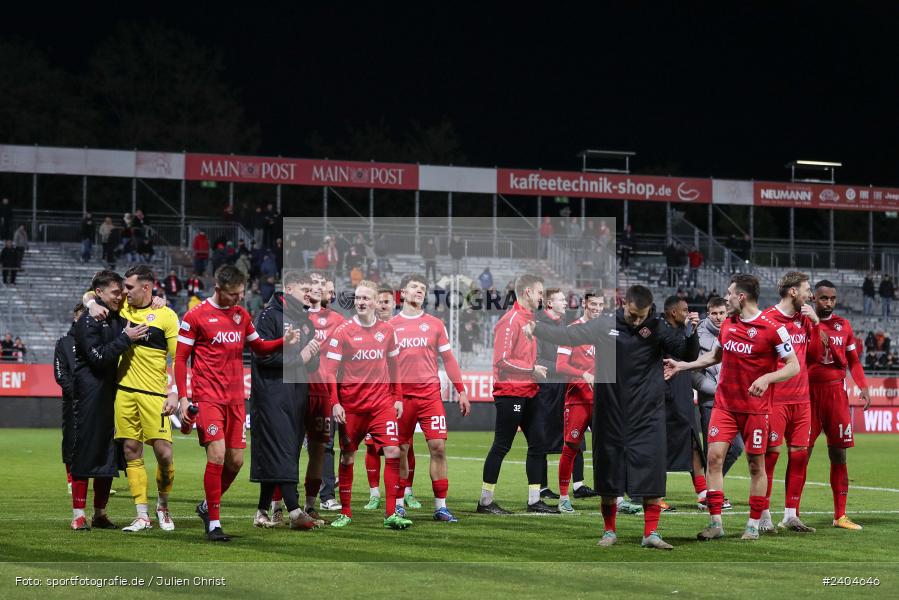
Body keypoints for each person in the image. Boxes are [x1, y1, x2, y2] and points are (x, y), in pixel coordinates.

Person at [530, 285, 698, 549]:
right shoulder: (603, 325)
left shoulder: (656, 326)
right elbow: (567, 336)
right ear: (624, 305)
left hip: (648, 414)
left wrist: (691, 333)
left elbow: (687, 353)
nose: (637, 320)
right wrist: (536, 328)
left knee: (652, 473)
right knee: (608, 475)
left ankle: (650, 534)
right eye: (633, 315)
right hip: (610, 412)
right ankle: (609, 532)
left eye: (642, 315)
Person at [664, 274, 800, 542]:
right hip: (724, 405)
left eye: (729, 294)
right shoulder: (728, 324)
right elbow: (713, 357)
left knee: (755, 465)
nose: (725, 298)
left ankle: (752, 524)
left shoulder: (773, 328)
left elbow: (794, 365)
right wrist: (682, 366)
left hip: (755, 409)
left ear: (741, 297)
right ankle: (716, 522)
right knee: (713, 458)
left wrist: (766, 378)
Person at [174, 265, 289, 542]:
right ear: (218, 288)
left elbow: (259, 346)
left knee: (235, 462)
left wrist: (285, 341)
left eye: (241, 293)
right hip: (208, 397)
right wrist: (183, 396)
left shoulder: (241, 315)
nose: (238, 299)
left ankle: (205, 505)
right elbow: (179, 359)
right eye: (233, 294)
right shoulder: (195, 316)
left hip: (236, 399)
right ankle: (214, 522)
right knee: (216, 456)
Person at [84, 266, 180, 532]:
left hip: (156, 394)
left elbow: (180, 359)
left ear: (146, 288)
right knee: (130, 452)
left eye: (129, 287)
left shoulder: (166, 315)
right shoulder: (121, 309)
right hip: (124, 392)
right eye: (124, 288)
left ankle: (163, 506)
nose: (124, 292)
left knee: (164, 454)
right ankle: (142, 515)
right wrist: (91, 303)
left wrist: (176, 391)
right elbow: (90, 294)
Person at [322, 280, 412, 530]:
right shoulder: (343, 331)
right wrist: (335, 403)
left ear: (375, 302)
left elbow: (395, 367)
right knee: (348, 457)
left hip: (381, 405)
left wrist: (398, 397)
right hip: (352, 407)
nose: (360, 302)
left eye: (365, 298)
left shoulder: (388, 331)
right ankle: (346, 512)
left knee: (393, 452)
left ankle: (391, 513)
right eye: (358, 298)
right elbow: (330, 372)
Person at [71, 270, 149, 530]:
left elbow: (143, 297)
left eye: (122, 291)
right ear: (100, 293)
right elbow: (97, 358)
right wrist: (125, 339)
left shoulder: (116, 314)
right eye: (116, 292)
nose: (122, 296)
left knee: (108, 457)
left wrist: (158, 301)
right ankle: (78, 515)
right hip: (91, 395)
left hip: (113, 395)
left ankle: (100, 514)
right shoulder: (89, 322)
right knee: (87, 454)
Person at [391, 274, 471, 522]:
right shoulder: (391, 326)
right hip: (401, 399)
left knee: (438, 447)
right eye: (414, 287)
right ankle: (398, 503)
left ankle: (441, 506)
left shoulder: (436, 324)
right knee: (401, 449)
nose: (419, 291)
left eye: (423, 288)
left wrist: (461, 390)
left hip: (430, 396)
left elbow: (448, 359)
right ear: (402, 293)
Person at [478, 274, 559, 515]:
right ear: (527, 293)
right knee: (502, 446)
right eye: (540, 292)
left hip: (529, 391)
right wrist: (531, 369)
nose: (542, 297)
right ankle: (484, 502)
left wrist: (535, 369)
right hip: (510, 392)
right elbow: (501, 360)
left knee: (538, 443)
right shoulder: (511, 320)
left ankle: (535, 500)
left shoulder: (529, 320)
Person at [250, 271, 322, 530]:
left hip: (296, 395)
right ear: (288, 288)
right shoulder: (269, 317)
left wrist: (313, 355)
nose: (309, 293)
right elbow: (263, 358)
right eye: (304, 288)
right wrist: (300, 358)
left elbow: (310, 364)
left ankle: (261, 511)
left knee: (284, 450)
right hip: (271, 394)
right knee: (283, 450)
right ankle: (294, 511)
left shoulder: (305, 320)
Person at [760, 272, 825, 534]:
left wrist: (817, 323)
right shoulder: (767, 319)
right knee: (770, 458)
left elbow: (817, 357)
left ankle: (790, 515)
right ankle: (762, 514)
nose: (811, 295)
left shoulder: (806, 319)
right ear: (793, 292)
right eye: (807, 290)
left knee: (799, 457)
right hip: (775, 400)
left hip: (802, 400)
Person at [808, 280, 871, 530]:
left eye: (832, 298)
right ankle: (793, 514)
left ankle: (840, 516)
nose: (829, 303)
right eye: (824, 298)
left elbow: (854, 361)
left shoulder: (843, 325)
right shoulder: (804, 324)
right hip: (809, 394)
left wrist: (863, 386)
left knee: (838, 453)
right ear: (814, 298)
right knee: (802, 451)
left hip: (836, 393)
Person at [553, 292, 604, 513]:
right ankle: (564, 498)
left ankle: (616, 497)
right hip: (577, 400)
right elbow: (560, 365)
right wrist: (583, 374)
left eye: (601, 305)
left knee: (610, 448)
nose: (597, 308)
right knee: (571, 447)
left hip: (603, 401)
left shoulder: (607, 332)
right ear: (585, 304)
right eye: (593, 304)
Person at [692, 297, 739, 510]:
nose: (718, 317)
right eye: (714, 313)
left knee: (737, 448)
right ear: (708, 313)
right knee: (711, 452)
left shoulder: (734, 329)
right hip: (710, 402)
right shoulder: (698, 334)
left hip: (733, 401)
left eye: (722, 313)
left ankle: (711, 489)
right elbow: (695, 376)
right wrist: (719, 389)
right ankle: (710, 495)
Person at [658, 295, 702, 513]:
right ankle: (656, 496)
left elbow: (691, 356)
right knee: (660, 446)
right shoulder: (659, 330)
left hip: (682, 392)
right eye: (684, 310)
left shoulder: (681, 332)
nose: (688, 313)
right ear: (673, 312)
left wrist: (692, 332)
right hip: (663, 396)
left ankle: (703, 494)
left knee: (693, 441)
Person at [308, 272, 344, 513]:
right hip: (299, 389)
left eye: (326, 288)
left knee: (327, 445)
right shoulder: (295, 317)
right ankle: (280, 497)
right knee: (290, 446)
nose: (321, 290)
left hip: (327, 392)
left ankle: (327, 495)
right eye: (316, 285)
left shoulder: (339, 321)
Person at [54, 304, 84, 496]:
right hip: (72, 400)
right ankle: (70, 480)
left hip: (95, 401)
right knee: (71, 440)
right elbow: (60, 373)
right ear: (75, 317)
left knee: (95, 440)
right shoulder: (64, 343)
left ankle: (95, 477)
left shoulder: (96, 341)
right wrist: (78, 393)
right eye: (81, 316)